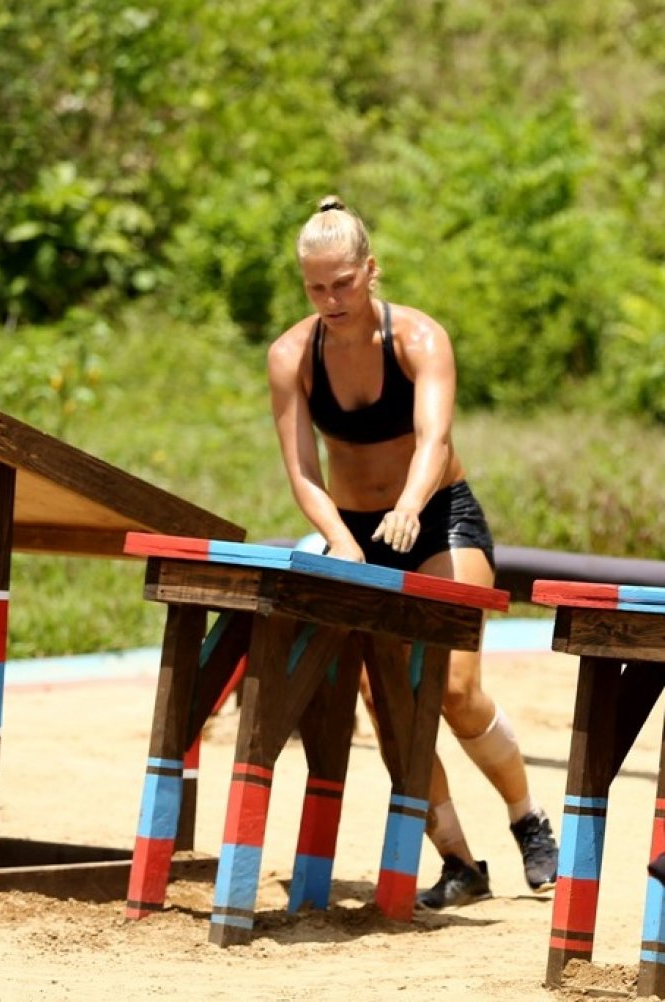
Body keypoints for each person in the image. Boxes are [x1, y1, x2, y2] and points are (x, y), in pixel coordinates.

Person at [267, 194, 558, 909]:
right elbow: (302, 471)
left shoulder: (420, 339)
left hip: (436, 518)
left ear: (371, 270)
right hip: (355, 529)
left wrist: (407, 505)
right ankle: (459, 862)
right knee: (387, 699)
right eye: (315, 287)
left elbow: (434, 440)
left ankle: (528, 820)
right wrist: (342, 540)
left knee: (453, 688)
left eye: (343, 283)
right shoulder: (291, 356)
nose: (331, 300)